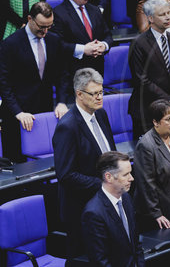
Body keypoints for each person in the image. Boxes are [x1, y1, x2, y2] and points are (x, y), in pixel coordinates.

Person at [53, 68, 116, 263]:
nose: (100, 97)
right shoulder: (67, 126)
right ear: (79, 95)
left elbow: (110, 154)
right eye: (94, 93)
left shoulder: (101, 114)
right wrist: (104, 185)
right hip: (81, 210)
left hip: (106, 202)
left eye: (101, 92)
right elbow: (66, 175)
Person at [0, 2, 69, 163]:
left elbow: (62, 75)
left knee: (45, 162)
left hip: (43, 111)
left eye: (49, 26)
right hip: (16, 115)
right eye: (41, 27)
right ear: (30, 19)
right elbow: (3, 83)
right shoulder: (10, 44)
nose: (45, 31)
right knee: (18, 163)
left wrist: (61, 102)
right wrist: (18, 112)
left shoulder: (54, 40)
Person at [128, 0, 170, 139]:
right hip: (146, 112)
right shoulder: (138, 43)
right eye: (162, 14)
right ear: (150, 18)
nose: (168, 17)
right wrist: (168, 99)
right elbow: (141, 79)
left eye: (168, 13)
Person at [82, 151, 145, 267]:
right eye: (126, 175)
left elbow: (136, 243)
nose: (131, 178)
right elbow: (100, 261)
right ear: (109, 177)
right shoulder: (93, 213)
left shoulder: (126, 198)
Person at [133, 100, 170, 232]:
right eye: (168, 119)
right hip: (157, 215)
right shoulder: (146, 145)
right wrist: (156, 213)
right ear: (155, 122)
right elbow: (146, 184)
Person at [53, 0, 113, 76]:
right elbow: (58, 44)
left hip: (97, 71)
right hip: (72, 73)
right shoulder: (59, 13)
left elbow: (107, 35)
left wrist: (103, 45)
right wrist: (83, 49)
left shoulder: (95, 10)